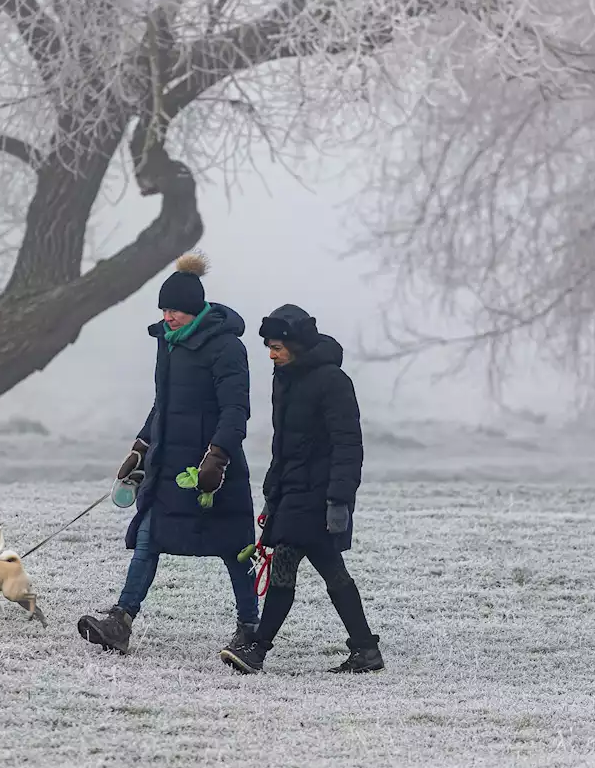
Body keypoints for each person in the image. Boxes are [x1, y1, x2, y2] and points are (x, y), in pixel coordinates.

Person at [77, 252, 259, 654]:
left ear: (194, 310)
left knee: (235, 547)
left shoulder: (227, 348)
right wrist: (142, 446)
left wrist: (218, 456)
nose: (167, 316)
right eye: (163, 309)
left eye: (174, 310)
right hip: (169, 465)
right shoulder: (168, 343)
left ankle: (250, 627)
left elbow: (236, 409)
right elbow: (164, 403)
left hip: (213, 470)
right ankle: (120, 620)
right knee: (148, 536)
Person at [220, 304, 384, 674]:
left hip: (320, 496)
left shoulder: (332, 381)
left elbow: (348, 445)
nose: (271, 354)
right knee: (331, 571)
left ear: (296, 343)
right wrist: (272, 491)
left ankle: (258, 649)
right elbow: (283, 444)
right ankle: (365, 649)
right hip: (293, 493)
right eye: (269, 348)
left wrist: (339, 500)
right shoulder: (285, 378)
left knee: (286, 566)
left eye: (277, 347)